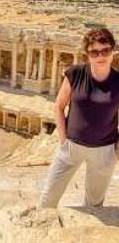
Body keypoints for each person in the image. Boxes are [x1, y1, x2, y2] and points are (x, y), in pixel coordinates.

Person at [38, 27, 119, 208]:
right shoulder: (75, 73)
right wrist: (63, 140)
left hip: (104, 151)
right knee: (48, 197)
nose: (100, 56)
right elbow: (59, 107)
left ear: (112, 50)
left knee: (95, 203)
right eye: (94, 52)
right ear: (87, 55)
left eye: (105, 50)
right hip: (71, 146)